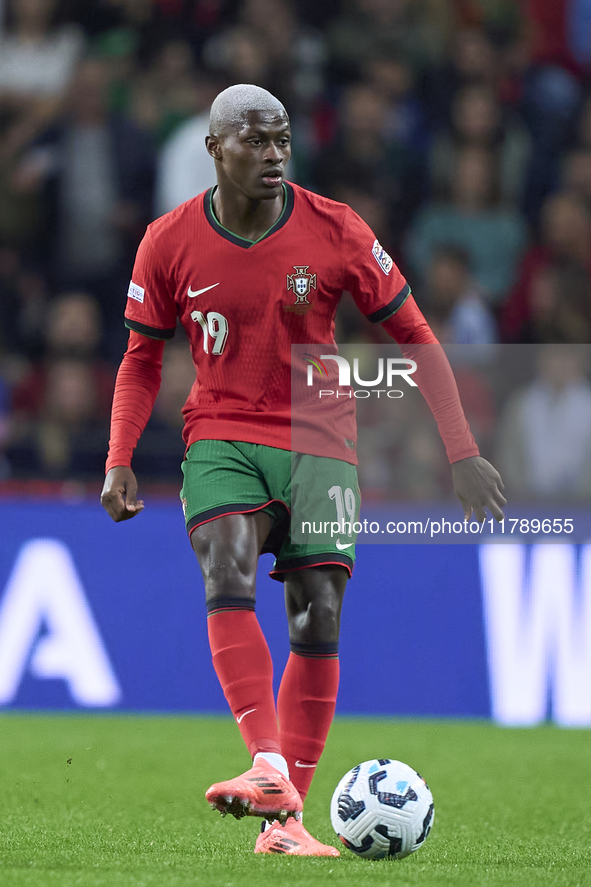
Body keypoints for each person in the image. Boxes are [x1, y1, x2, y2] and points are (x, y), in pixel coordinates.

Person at [101, 84, 506, 856]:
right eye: (255, 142)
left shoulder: (337, 230)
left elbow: (414, 336)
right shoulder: (168, 241)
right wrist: (120, 455)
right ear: (215, 149)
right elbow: (141, 358)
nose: (274, 155)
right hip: (220, 429)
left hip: (320, 431)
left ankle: (287, 824)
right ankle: (265, 763)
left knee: (316, 610)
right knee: (225, 562)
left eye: (283, 140)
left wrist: (461, 449)